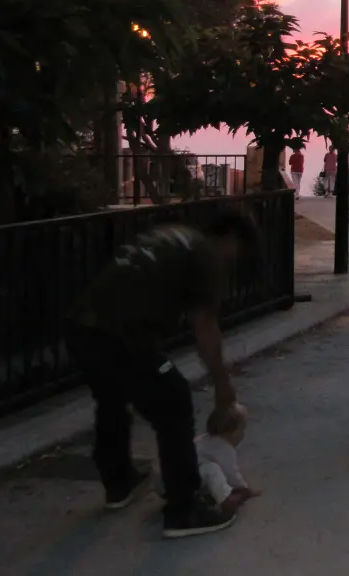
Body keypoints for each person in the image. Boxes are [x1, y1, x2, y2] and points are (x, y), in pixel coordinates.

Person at [65, 211, 257, 538]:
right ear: (230, 240)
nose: (234, 262)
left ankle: (118, 482)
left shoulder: (172, 235)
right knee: (174, 399)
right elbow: (204, 326)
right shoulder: (206, 255)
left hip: (81, 328)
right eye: (238, 252)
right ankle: (184, 509)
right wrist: (222, 384)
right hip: (122, 334)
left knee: (111, 396)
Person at [159, 403, 261, 514]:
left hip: (170, 478)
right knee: (212, 469)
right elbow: (231, 474)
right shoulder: (224, 448)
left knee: (207, 469)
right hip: (183, 481)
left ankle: (204, 494)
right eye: (242, 430)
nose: (243, 435)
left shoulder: (205, 439)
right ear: (233, 433)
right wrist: (245, 488)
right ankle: (226, 500)